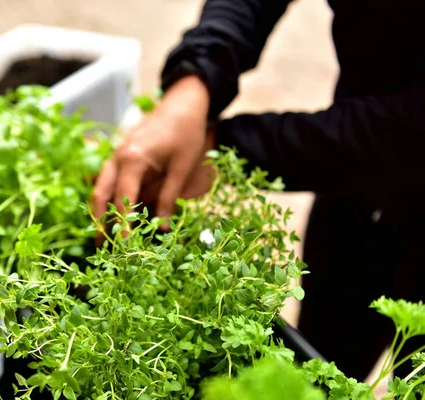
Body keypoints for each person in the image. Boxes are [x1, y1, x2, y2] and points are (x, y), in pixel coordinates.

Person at [92, 0, 425, 382]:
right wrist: (196, 79)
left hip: (374, 155)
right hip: (354, 193)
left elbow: (411, 130)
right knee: (320, 368)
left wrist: (232, 147)